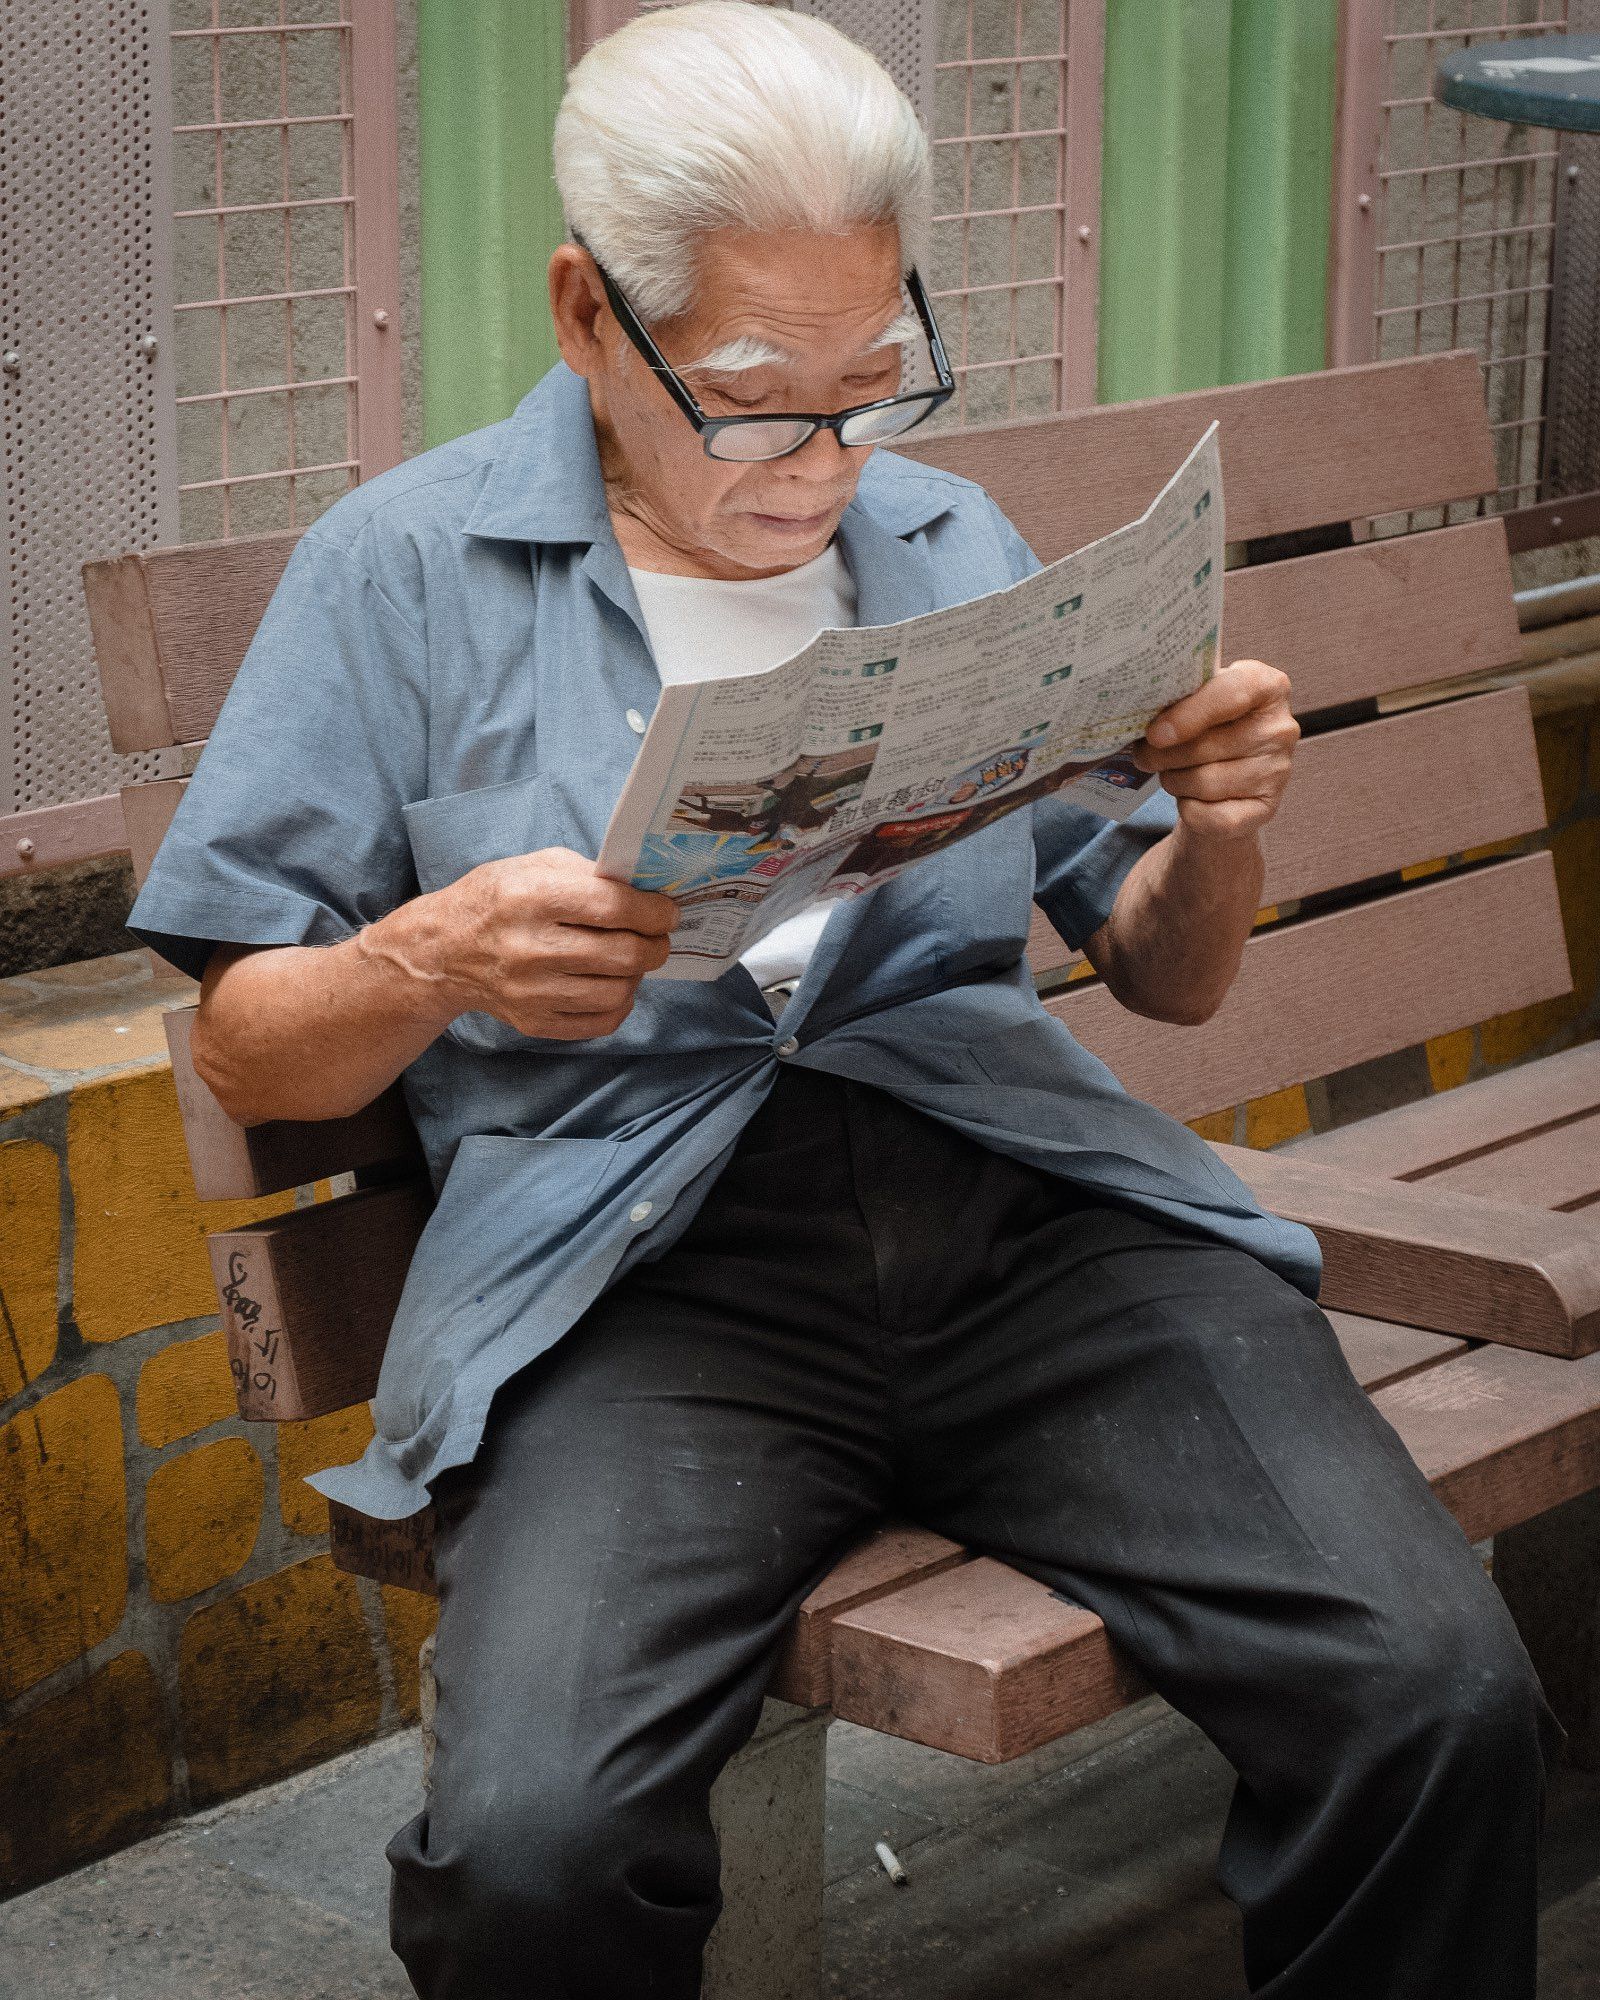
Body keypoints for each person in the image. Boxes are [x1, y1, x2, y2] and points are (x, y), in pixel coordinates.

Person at [122, 5, 1564, 1995]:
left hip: (1032, 1222)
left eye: (867, 384)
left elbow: (1157, 968)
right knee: (533, 1849)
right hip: (644, 1289)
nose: (818, 462)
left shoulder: (941, 536)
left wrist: (1216, 825)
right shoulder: (405, 577)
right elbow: (240, 1037)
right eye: (749, 398)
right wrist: (425, 954)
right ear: (583, 316)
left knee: (1433, 1698)